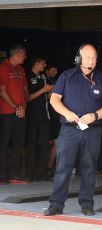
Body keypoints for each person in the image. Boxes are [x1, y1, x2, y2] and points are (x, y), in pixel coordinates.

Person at [44, 44, 102, 216]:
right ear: (79, 58)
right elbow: (54, 100)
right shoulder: (67, 76)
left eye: (95, 57)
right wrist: (66, 113)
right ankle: (56, 204)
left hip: (92, 131)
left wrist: (95, 115)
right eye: (88, 57)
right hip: (69, 130)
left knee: (89, 168)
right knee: (63, 168)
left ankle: (87, 204)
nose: (92, 60)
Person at [0, 44, 28, 184]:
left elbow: (25, 90)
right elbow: (2, 91)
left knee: (18, 144)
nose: (25, 57)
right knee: (3, 144)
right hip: (6, 113)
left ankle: (15, 176)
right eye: (24, 55)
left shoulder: (21, 69)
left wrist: (23, 107)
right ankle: (1, 176)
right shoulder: (3, 68)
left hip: (20, 113)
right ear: (17, 54)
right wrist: (17, 107)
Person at [26, 57, 54, 181]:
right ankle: (30, 173)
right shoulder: (27, 76)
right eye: (43, 63)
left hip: (44, 115)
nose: (45, 65)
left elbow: (45, 97)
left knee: (45, 144)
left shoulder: (43, 77)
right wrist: (43, 89)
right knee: (31, 144)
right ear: (36, 63)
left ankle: (43, 172)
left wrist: (49, 93)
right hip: (31, 115)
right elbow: (27, 98)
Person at [45, 64, 60, 178]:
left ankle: (49, 167)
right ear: (47, 71)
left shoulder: (56, 81)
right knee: (47, 143)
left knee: (56, 142)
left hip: (56, 117)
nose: (55, 72)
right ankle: (43, 167)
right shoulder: (44, 81)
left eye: (56, 70)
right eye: (53, 69)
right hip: (46, 117)